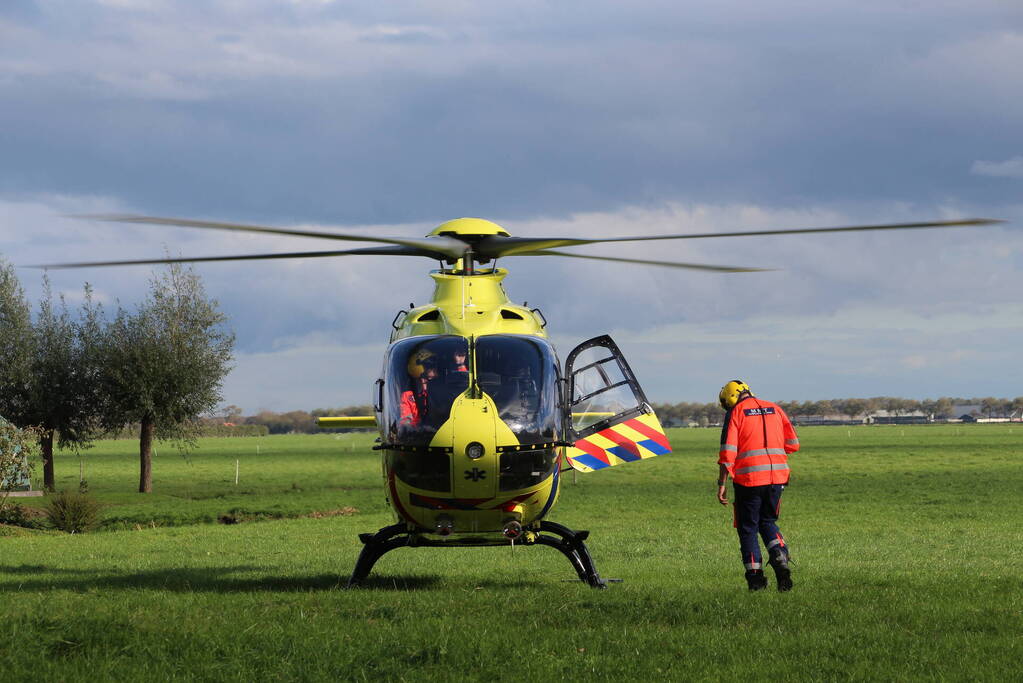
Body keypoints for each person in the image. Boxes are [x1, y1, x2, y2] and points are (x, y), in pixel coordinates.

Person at [716, 380, 800, 592]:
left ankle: (755, 579)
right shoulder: (776, 408)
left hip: (749, 479)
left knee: (748, 528)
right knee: (768, 521)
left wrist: (722, 483)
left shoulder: (736, 413)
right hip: (778, 478)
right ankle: (780, 554)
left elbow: (728, 452)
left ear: (731, 399)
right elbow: (793, 444)